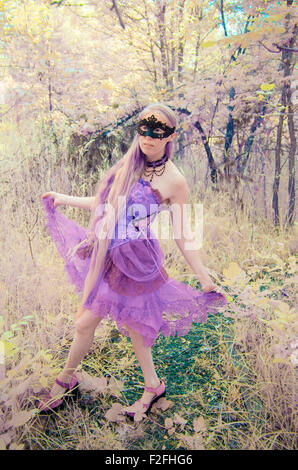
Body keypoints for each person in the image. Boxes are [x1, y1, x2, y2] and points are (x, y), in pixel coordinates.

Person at [39, 103, 227, 418]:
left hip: (138, 263)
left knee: (124, 325)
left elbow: (182, 233)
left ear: (171, 136)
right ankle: (142, 385)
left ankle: (68, 382)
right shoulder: (129, 163)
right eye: (144, 130)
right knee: (91, 322)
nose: (149, 139)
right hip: (108, 255)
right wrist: (63, 198)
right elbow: (105, 205)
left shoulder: (175, 181)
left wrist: (202, 273)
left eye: (158, 133)